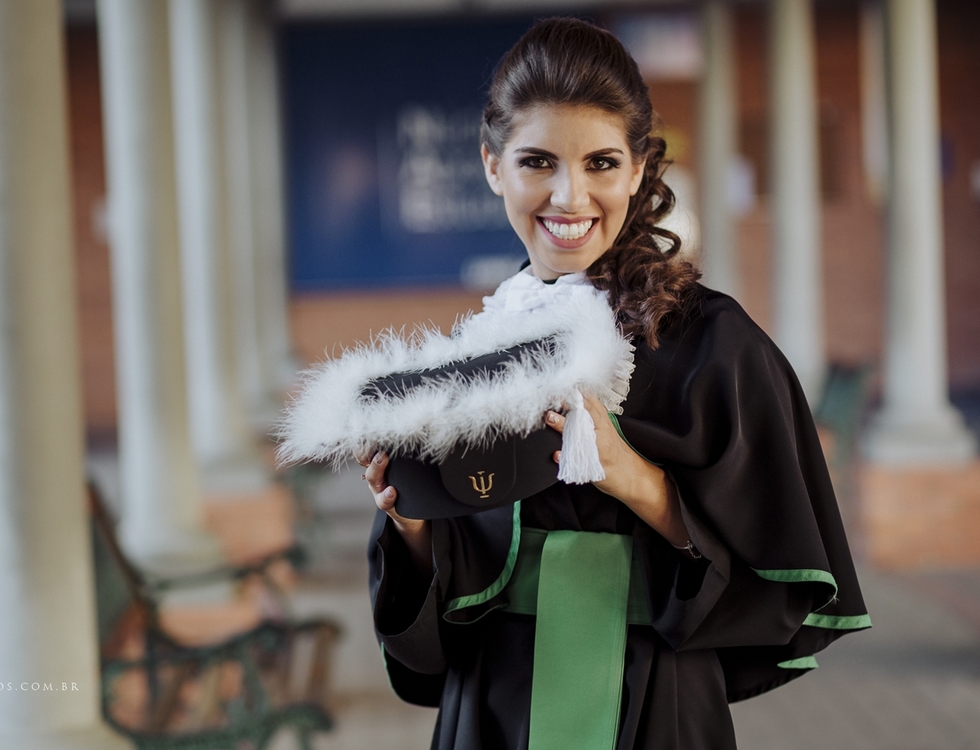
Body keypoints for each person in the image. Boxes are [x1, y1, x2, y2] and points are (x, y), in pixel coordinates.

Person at [358, 17, 868, 750]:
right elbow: (445, 599)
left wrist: (635, 478)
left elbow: (779, 568)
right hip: (496, 701)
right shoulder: (483, 343)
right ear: (493, 166)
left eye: (600, 163)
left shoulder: (716, 345)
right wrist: (408, 521)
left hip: (651, 697)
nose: (570, 197)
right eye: (537, 162)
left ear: (637, 169)